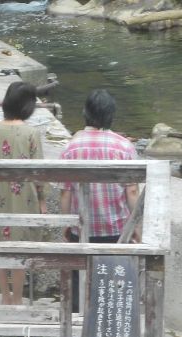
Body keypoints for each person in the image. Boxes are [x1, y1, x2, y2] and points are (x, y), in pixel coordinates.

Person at [58, 89, 140, 311]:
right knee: (116, 283)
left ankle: (77, 321)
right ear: (110, 115)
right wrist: (136, 227)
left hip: (82, 231)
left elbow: (66, 193)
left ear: (85, 113)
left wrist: (67, 224)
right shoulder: (124, 147)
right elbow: (131, 193)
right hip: (116, 232)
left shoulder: (70, 147)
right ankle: (111, 325)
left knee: (78, 277)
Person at [0, 81, 47, 305]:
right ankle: (17, 299)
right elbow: (39, 171)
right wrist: (43, 200)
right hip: (23, 198)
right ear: (28, 106)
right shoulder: (31, 132)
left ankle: (5, 296)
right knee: (20, 248)